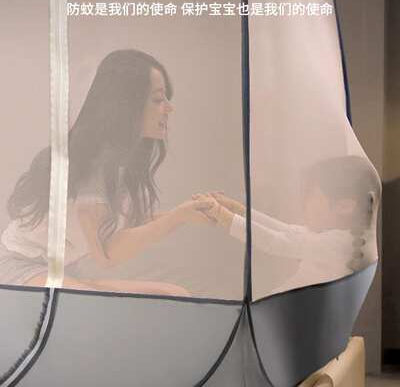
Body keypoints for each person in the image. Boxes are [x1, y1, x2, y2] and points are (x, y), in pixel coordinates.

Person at [0, 49, 214, 296]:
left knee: (175, 295)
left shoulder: (120, 160)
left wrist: (188, 213)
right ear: (127, 104)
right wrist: (178, 217)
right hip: (18, 268)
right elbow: (106, 254)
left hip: (62, 270)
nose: (168, 108)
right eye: (158, 100)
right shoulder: (93, 163)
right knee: (106, 305)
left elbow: (129, 222)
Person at [194, 155, 381, 295]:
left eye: (312, 196)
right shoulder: (342, 239)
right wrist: (237, 209)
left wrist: (219, 213)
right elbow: (286, 231)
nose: (305, 202)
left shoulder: (340, 245)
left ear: (344, 206)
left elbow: (277, 242)